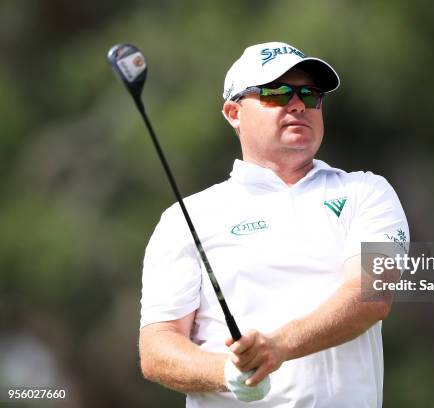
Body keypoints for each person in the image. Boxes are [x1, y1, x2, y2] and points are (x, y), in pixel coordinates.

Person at [138, 41, 409, 407]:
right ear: (234, 112)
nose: (297, 104)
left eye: (309, 95)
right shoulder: (186, 218)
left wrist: (277, 347)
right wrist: (227, 373)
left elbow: (370, 295)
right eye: (276, 93)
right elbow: (158, 348)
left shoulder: (367, 191)